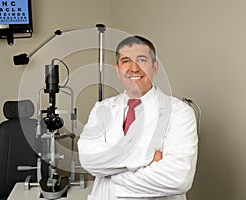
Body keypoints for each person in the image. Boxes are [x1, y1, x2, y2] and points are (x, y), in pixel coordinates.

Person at [77, 36, 198, 200]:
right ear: (118, 70)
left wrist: (112, 179)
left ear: (154, 67)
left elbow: (178, 179)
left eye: (142, 60)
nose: (134, 68)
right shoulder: (102, 109)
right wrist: (147, 157)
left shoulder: (180, 112)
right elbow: (89, 159)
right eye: (126, 61)